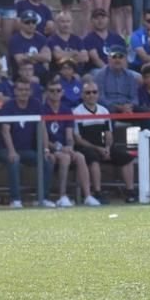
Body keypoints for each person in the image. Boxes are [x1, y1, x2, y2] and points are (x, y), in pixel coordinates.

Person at [73, 82, 136, 203]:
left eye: (94, 92)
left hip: (103, 147)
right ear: (82, 95)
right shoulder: (77, 112)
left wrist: (107, 147)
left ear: (98, 94)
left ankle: (130, 192)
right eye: (88, 92)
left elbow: (108, 133)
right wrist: (98, 148)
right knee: (93, 157)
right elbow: (78, 139)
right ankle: (97, 192)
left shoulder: (103, 110)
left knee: (127, 158)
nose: (91, 95)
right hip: (85, 147)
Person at [42, 77, 99, 206]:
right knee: (65, 158)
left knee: (80, 157)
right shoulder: (42, 109)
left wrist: (70, 146)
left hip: (64, 148)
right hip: (48, 148)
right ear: (47, 93)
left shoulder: (66, 110)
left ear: (62, 92)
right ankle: (62, 196)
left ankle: (88, 196)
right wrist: (59, 148)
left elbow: (69, 135)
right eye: (52, 91)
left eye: (58, 90)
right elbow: (42, 136)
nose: (55, 93)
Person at [0, 78, 52, 208]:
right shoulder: (8, 106)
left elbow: (43, 128)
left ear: (31, 91)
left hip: (26, 149)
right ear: (15, 91)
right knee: (14, 161)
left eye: (26, 90)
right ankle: (15, 200)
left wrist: (46, 149)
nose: (24, 92)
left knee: (47, 161)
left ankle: (42, 198)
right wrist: (11, 151)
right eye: (21, 89)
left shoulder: (36, 104)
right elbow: (5, 130)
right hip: (5, 148)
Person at [95, 47, 140, 114]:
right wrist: (119, 107)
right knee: (108, 111)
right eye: (114, 57)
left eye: (120, 57)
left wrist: (129, 106)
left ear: (125, 59)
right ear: (109, 58)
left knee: (144, 113)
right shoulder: (101, 75)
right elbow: (100, 99)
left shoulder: (129, 75)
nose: (117, 60)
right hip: (110, 108)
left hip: (128, 108)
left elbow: (135, 98)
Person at [9, 10, 51, 81]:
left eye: (33, 22)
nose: (31, 25)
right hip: (22, 74)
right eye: (27, 22)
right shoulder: (15, 39)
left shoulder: (41, 37)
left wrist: (29, 56)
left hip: (41, 72)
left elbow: (47, 57)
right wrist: (39, 57)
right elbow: (20, 60)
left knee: (57, 79)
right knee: (34, 80)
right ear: (21, 23)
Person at [83, 8, 128, 73]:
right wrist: (110, 73)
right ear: (92, 20)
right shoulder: (88, 39)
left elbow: (124, 58)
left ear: (108, 19)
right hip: (98, 70)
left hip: (118, 70)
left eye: (103, 17)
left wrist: (124, 73)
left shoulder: (117, 38)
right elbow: (96, 59)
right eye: (96, 18)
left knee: (137, 77)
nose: (100, 20)